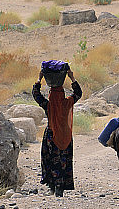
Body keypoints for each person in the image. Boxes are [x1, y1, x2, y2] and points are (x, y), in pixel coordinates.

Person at [33, 68, 82, 197]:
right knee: (64, 160)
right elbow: (78, 93)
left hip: (51, 135)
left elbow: (36, 94)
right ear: (62, 94)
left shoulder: (48, 105)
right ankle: (62, 186)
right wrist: (72, 77)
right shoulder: (67, 103)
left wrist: (39, 79)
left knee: (51, 160)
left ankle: (54, 185)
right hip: (65, 135)